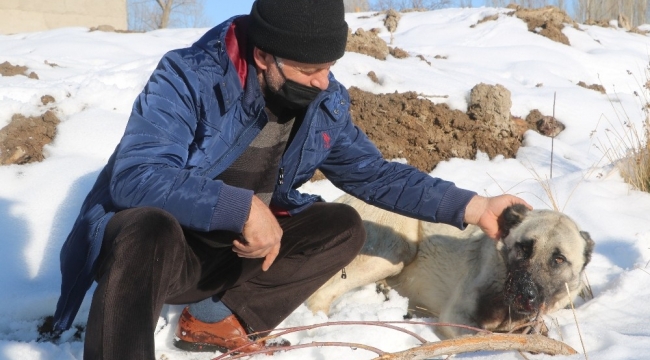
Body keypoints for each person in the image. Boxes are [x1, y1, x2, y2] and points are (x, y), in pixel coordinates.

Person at [51, 0, 531, 358]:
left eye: (329, 68)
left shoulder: (322, 101)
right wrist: (240, 207)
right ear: (264, 57)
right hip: (161, 257)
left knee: (342, 225)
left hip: (239, 254)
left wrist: (472, 206)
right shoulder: (188, 77)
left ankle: (216, 319)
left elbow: (373, 173)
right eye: (310, 69)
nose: (325, 81)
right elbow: (136, 176)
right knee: (144, 227)